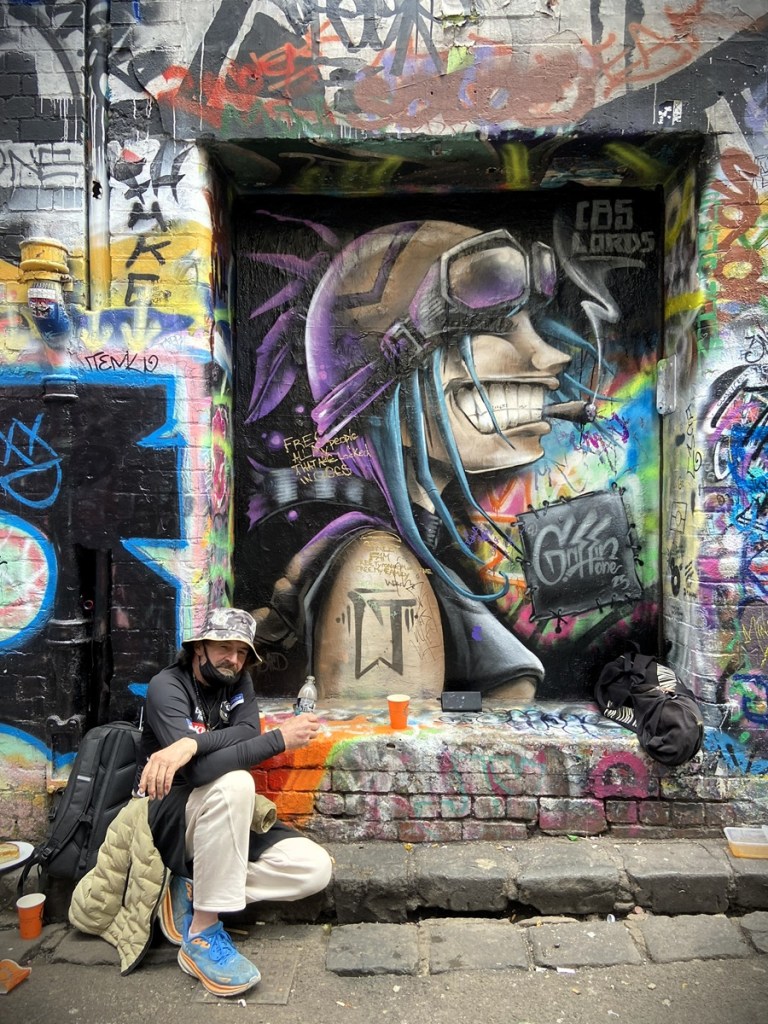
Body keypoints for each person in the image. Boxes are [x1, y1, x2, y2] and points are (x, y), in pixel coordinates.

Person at [135, 607, 333, 998]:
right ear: (199, 649)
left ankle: (193, 887)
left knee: (314, 870)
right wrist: (276, 740)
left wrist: (193, 743)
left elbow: (247, 731)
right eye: (224, 648)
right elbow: (197, 774)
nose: (234, 660)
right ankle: (202, 936)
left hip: (225, 812)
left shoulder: (238, 680)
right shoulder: (166, 687)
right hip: (172, 811)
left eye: (242, 652)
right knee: (236, 782)